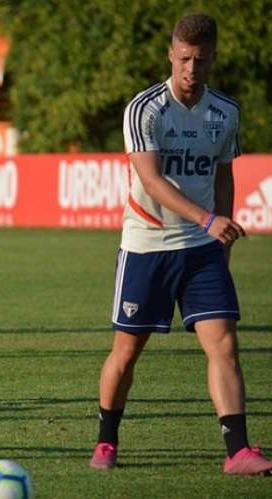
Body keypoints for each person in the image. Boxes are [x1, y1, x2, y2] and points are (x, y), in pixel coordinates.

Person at [89, 13, 272, 476]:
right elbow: (150, 180)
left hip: (202, 249)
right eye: (185, 58)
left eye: (201, 60)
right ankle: (107, 441)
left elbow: (224, 175)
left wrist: (221, 235)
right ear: (171, 54)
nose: (192, 68)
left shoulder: (225, 112)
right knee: (127, 352)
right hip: (148, 246)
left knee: (224, 344)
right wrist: (209, 219)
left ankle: (238, 451)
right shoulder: (145, 109)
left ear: (213, 59)